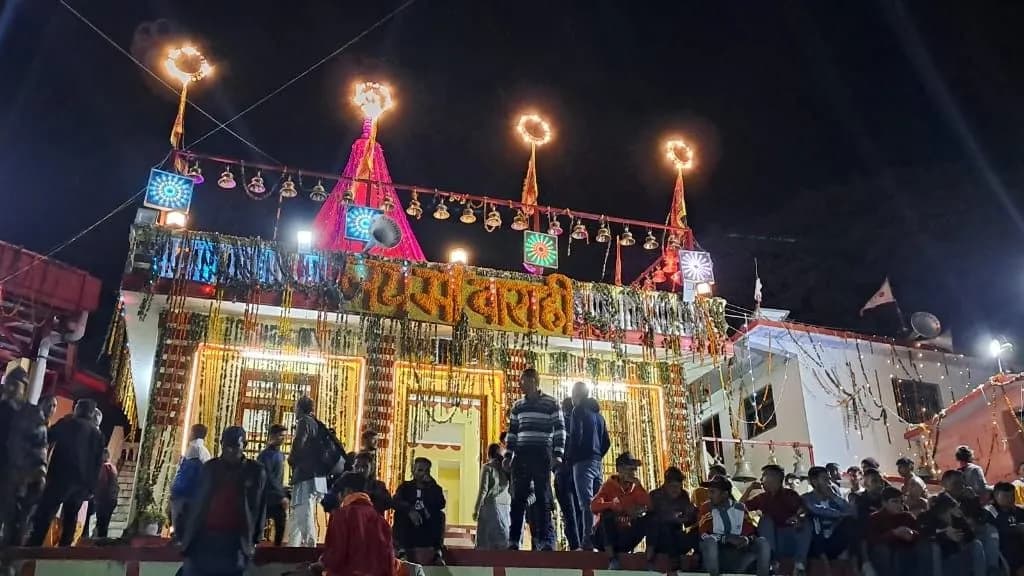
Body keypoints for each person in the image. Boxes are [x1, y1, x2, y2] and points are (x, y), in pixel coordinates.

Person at [180, 426, 267, 576]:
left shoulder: (255, 471)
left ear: (244, 446)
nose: (230, 451)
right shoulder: (210, 468)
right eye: (227, 446)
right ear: (221, 444)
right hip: (205, 537)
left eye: (235, 446)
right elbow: (197, 502)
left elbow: (259, 506)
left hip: (235, 540)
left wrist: (254, 539)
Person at [26, 398, 104, 547]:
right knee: (70, 518)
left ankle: (34, 545)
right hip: (81, 484)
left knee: (46, 512)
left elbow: (48, 436)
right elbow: (97, 464)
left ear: (78, 410)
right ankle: (64, 550)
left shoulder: (67, 424)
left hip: (60, 478)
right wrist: (92, 488)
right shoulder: (97, 434)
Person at [503, 368, 564, 551]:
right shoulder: (518, 406)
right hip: (522, 453)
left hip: (541, 453)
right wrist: (508, 456)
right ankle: (514, 540)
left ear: (532, 380)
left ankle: (545, 540)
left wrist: (558, 453)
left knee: (543, 496)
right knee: (518, 497)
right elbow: (512, 433)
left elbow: (560, 429)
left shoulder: (551, 403)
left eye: (522, 380)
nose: (520, 384)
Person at [310, 472, 396, 576]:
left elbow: (336, 554)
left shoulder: (342, 515)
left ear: (347, 491)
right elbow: (389, 561)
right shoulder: (381, 520)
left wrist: (322, 563)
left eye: (339, 494)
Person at [566, 380, 610, 551]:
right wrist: (597, 455)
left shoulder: (578, 411)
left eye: (573, 394)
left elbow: (576, 436)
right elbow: (607, 442)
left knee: (586, 503)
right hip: (597, 462)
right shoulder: (599, 416)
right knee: (598, 502)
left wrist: (570, 458)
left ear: (577, 395)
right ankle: (600, 540)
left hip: (582, 463)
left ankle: (587, 541)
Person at [742, 464, 809, 573]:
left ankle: (799, 563)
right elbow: (738, 508)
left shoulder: (790, 495)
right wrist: (749, 489)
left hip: (788, 536)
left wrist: (797, 517)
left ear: (774, 478)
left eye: (763, 476)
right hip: (770, 540)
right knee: (765, 520)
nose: (761, 480)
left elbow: (803, 511)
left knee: (806, 523)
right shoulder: (762, 498)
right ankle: (772, 561)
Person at [698, 476, 770, 576]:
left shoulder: (739, 508)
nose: (709, 496)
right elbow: (704, 534)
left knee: (762, 542)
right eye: (709, 492)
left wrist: (746, 539)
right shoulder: (706, 507)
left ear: (725, 494)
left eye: (713, 492)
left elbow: (751, 532)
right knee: (709, 542)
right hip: (717, 555)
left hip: (738, 554)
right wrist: (726, 538)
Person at [592, 452, 651, 569]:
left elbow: (650, 506)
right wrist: (612, 505)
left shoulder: (635, 488)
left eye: (634, 470)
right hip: (604, 539)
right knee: (607, 514)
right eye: (629, 469)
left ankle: (649, 560)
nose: (632, 473)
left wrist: (639, 486)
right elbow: (594, 506)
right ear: (619, 469)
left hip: (624, 536)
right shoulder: (608, 486)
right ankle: (612, 560)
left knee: (650, 518)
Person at [393, 457, 446, 565]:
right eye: (420, 470)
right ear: (413, 471)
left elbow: (441, 503)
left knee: (440, 515)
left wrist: (432, 485)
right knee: (399, 513)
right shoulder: (405, 487)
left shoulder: (434, 488)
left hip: (427, 527)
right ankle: (402, 551)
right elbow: (396, 501)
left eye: (427, 471)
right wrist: (409, 510)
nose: (423, 474)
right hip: (409, 528)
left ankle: (437, 553)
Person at [919, 492, 985, 576]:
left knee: (977, 544)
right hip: (936, 562)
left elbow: (971, 537)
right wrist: (945, 534)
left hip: (955, 560)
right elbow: (923, 534)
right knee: (935, 547)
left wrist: (961, 518)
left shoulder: (956, 519)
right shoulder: (926, 517)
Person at [802, 466, 856, 568]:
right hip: (817, 542)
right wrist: (840, 514)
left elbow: (850, 511)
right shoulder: (806, 498)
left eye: (828, 479)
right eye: (824, 479)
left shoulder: (834, 496)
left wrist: (834, 497)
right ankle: (823, 561)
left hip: (833, 538)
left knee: (850, 522)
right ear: (814, 481)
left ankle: (849, 557)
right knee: (812, 519)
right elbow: (817, 510)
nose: (828, 482)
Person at [646, 466, 698, 569]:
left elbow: (688, 523)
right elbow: (652, 520)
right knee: (665, 527)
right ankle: (655, 559)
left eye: (679, 487)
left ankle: (698, 559)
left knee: (698, 530)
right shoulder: (655, 495)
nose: (676, 490)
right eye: (673, 487)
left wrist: (691, 514)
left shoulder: (683, 495)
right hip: (660, 539)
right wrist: (675, 518)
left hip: (677, 537)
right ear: (665, 484)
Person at [289, 395, 324, 547]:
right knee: (297, 514)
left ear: (300, 408)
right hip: (317, 475)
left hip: (305, 475)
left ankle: (310, 548)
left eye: (295, 407)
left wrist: (291, 460)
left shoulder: (304, 422)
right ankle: (293, 547)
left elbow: (298, 444)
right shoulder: (316, 423)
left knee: (303, 510)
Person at [170, 423, 212, 542]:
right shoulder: (204, 451)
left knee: (179, 516)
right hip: (194, 492)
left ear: (193, 433)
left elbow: (187, 473)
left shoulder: (194, 449)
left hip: (185, 491)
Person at [866, 486, 922, 575]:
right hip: (885, 554)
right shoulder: (875, 518)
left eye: (901, 502)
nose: (899, 505)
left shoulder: (908, 516)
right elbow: (872, 540)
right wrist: (894, 533)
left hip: (907, 552)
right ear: (884, 503)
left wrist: (912, 534)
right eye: (895, 501)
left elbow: (920, 533)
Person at [554, 397, 581, 550]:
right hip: (579, 471)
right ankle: (583, 543)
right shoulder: (581, 422)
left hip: (563, 472)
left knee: (568, 511)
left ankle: (574, 544)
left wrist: (556, 466)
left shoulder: (559, 424)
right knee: (580, 509)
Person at [474, 442, 511, 550]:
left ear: (489, 454)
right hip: (506, 505)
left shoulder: (487, 467)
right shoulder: (506, 469)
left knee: (486, 541)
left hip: (490, 504)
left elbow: (483, 490)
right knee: (503, 537)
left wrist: (476, 509)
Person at [258, 424, 288, 546]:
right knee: (258, 528)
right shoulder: (265, 455)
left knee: (280, 527)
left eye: (284, 436)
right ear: (272, 436)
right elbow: (268, 477)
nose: (283, 438)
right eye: (281, 435)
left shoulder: (280, 455)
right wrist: (282, 495)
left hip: (276, 497)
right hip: (266, 497)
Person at [987, 481, 1024, 575]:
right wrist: (1016, 528)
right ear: (995, 496)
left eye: (1012, 496)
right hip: (1004, 551)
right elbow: (997, 530)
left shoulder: (1018, 511)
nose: (1010, 499)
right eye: (1006, 496)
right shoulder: (989, 511)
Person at [89, 448, 118, 538]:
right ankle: (102, 542)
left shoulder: (105, 467)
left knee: (101, 523)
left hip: (104, 499)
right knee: (104, 524)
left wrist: (95, 496)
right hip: (111, 499)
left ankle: (99, 543)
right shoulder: (112, 467)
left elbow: (102, 483)